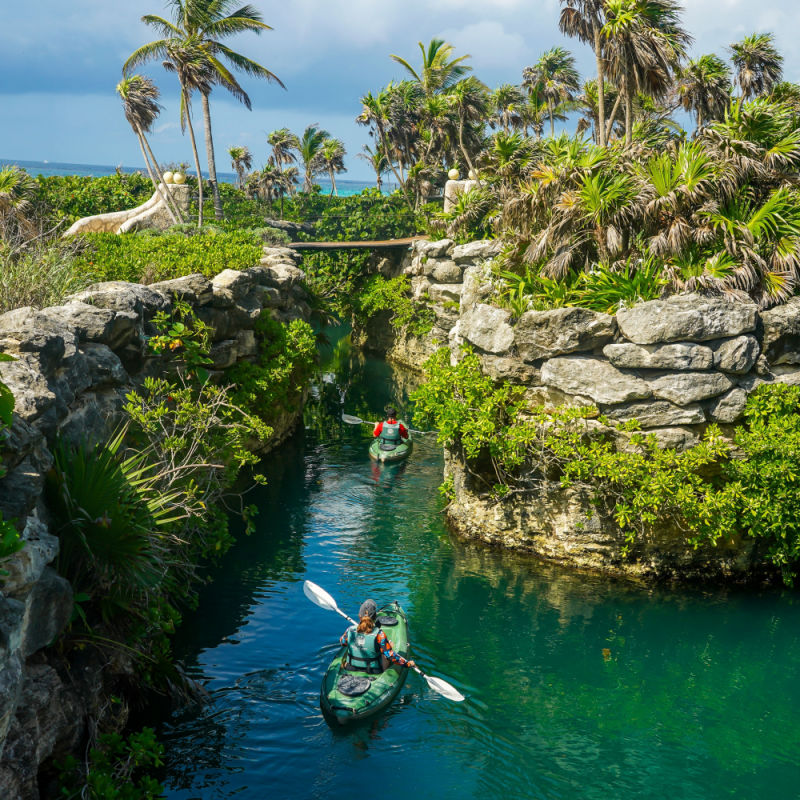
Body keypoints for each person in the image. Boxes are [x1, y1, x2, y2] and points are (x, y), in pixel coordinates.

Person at [339, 599, 415, 673]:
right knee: (387, 648)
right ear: (375, 617)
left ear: (359, 616)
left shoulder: (350, 630)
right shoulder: (379, 634)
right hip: (373, 670)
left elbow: (342, 642)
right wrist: (408, 664)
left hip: (351, 668)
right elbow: (390, 655)